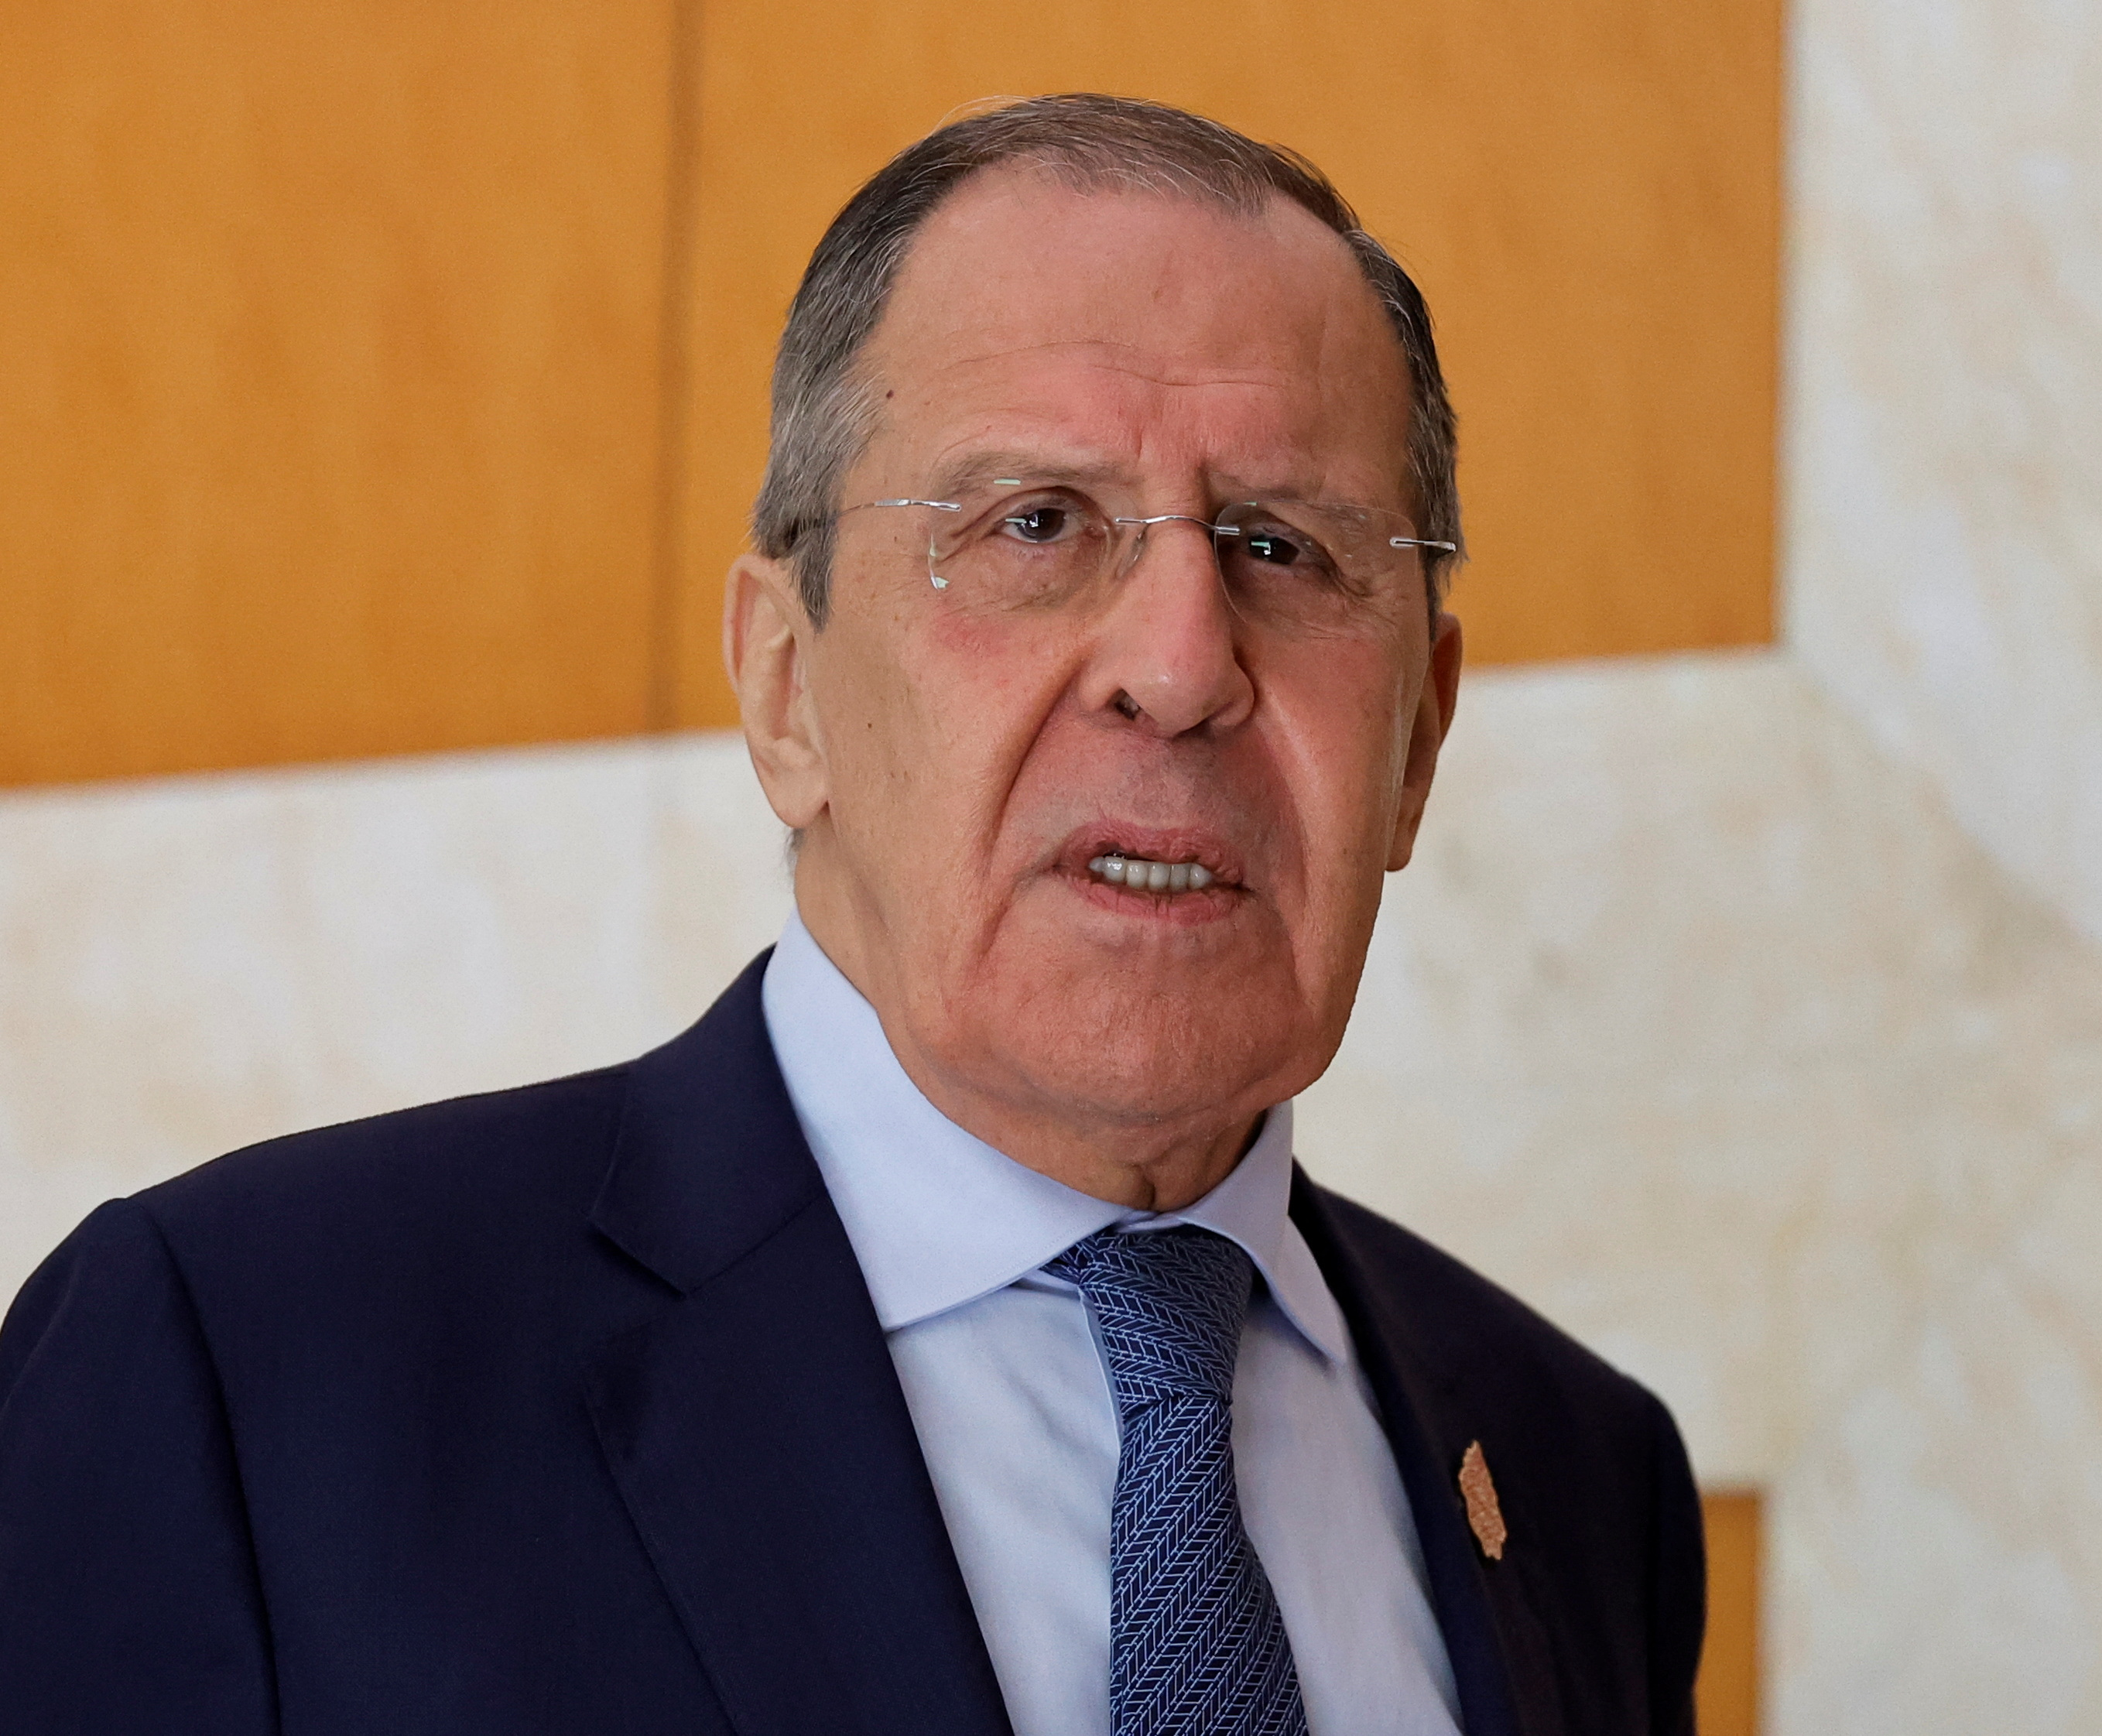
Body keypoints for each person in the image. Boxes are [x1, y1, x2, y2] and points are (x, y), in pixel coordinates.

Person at [0, 94, 1705, 1734]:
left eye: (1280, 547)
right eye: (1038, 524)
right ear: (785, 685)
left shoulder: (1577, 1472)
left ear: (1418, 740)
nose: (1181, 669)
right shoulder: (247, 1371)